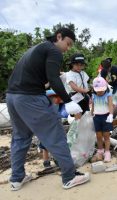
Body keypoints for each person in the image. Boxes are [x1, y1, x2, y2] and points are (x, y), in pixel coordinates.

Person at [6, 27, 90, 191]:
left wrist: (54, 80)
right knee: (55, 134)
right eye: (68, 43)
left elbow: (42, 79)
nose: (68, 48)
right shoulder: (53, 50)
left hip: (12, 97)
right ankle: (69, 176)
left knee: (20, 137)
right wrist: (67, 101)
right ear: (59, 37)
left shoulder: (36, 48)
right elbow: (52, 78)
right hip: (30, 98)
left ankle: (17, 178)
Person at [91, 77, 113, 163]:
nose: (100, 92)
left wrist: (111, 114)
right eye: (98, 90)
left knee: (106, 136)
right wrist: (91, 112)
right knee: (98, 136)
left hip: (106, 117)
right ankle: (100, 150)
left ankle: (107, 152)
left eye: (102, 90)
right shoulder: (93, 95)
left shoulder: (108, 94)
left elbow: (111, 105)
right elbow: (93, 105)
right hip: (97, 117)